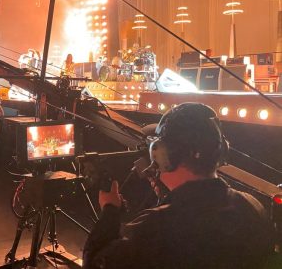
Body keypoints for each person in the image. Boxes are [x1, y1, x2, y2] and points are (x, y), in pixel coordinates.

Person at [83, 103, 275, 269]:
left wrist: (109, 211)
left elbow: (96, 263)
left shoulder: (157, 227)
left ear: (166, 154)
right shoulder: (253, 207)